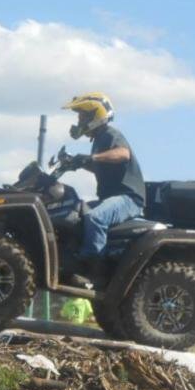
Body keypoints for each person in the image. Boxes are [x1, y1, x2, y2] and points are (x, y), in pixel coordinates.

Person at [61, 92, 146, 286]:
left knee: (95, 217)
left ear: (95, 116)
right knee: (74, 213)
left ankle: (93, 270)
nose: (79, 121)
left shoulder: (110, 134)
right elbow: (99, 164)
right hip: (111, 197)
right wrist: (78, 162)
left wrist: (92, 158)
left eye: (82, 116)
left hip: (129, 198)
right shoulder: (98, 140)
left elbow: (122, 154)